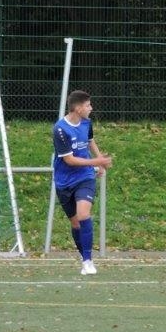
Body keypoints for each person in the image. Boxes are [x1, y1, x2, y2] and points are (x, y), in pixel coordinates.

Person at [52, 90, 113, 275]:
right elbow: (69, 160)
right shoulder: (60, 129)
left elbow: (90, 141)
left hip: (84, 177)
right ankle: (84, 257)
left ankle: (88, 261)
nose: (91, 108)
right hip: (64, 181)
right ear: (78, 109)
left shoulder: (87, 123)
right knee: (76, 224)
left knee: (83, 214)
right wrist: (97, 162)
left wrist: (99, 160)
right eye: (88, 105)